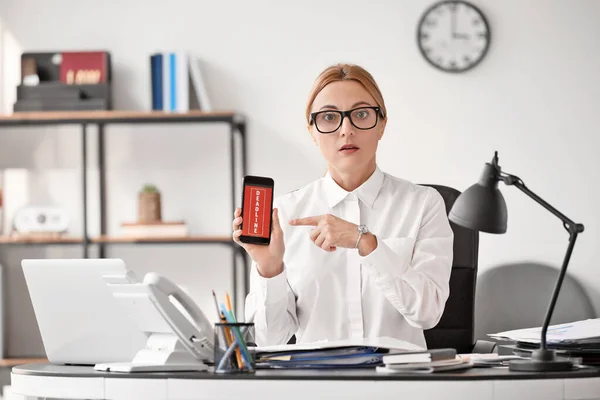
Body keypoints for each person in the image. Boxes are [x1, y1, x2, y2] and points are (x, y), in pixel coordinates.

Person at [232, 63, 454, 348]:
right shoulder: (286, 214)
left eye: (361, 114)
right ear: (312, 131)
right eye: (328, 117)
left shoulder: (423, 204)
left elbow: (428, 314)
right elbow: (269, 339)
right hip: (319, 385)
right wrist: (269, 267)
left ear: (382, 124)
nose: (346, 130)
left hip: (397, 385)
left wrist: (367, 243)